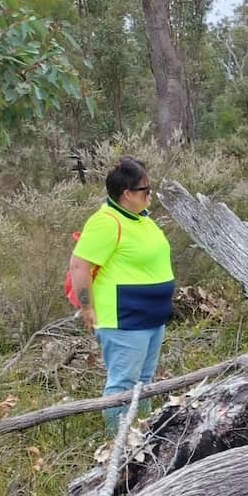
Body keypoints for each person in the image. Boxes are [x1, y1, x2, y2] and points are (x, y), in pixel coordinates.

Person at [69, 156, 175, 432]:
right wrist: (87, 307)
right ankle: (117, 445)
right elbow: (79, 265)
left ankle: (142, 436)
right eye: (145, 190)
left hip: (152, 318)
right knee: (124, 384)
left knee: (144, 381)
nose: (150, 194)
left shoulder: (142, 220)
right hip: (124, 318)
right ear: (127, 194)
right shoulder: (106, 222)